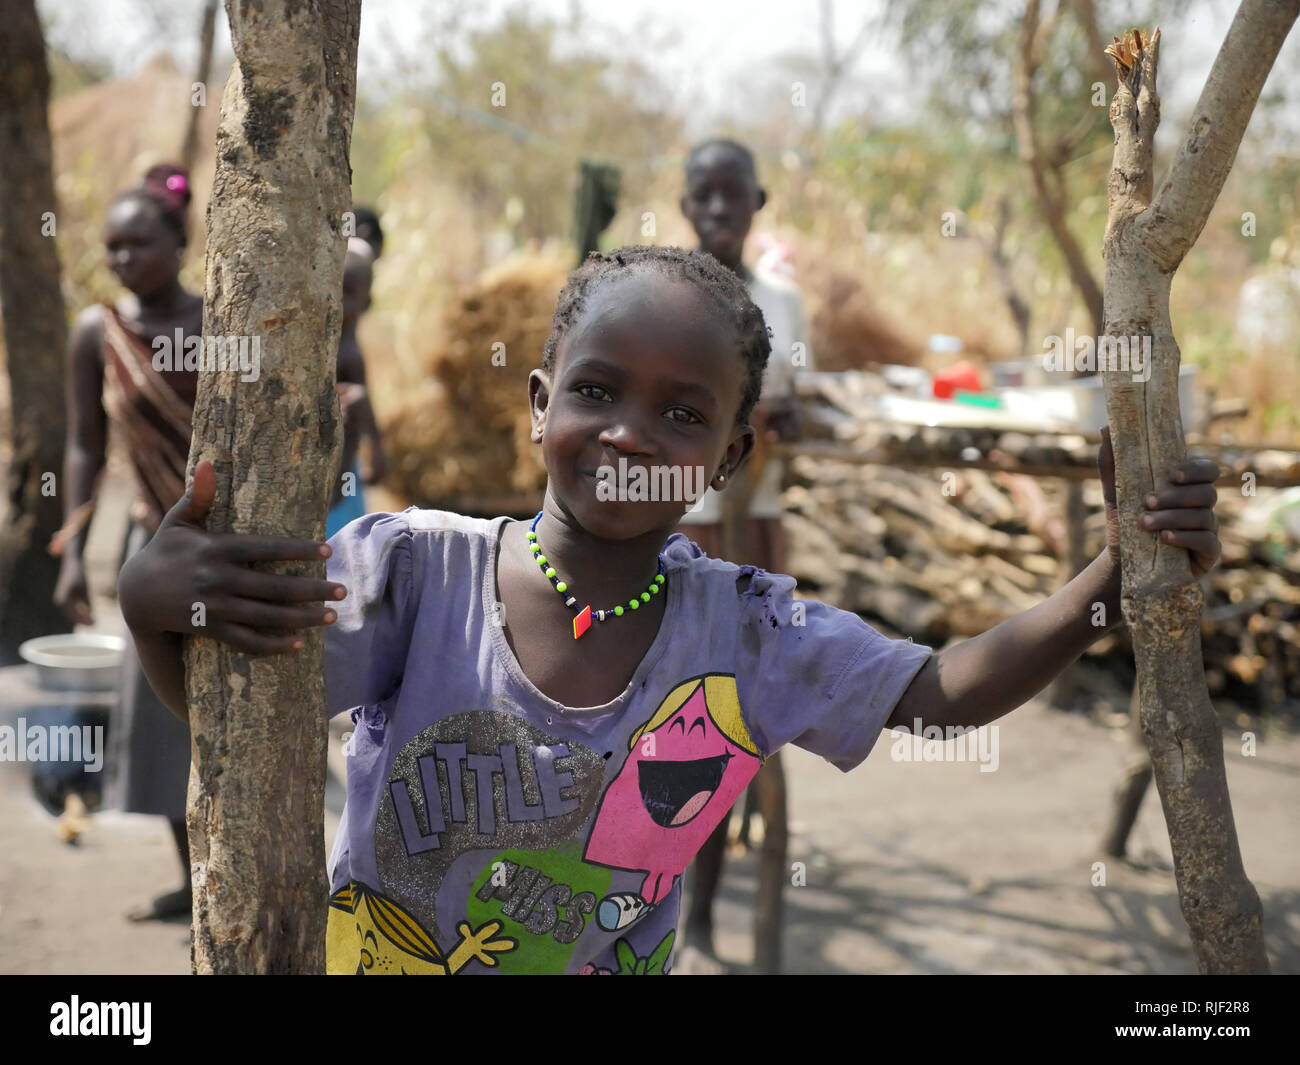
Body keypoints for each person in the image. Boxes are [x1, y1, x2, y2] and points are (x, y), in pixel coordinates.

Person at [117, 245, 1223, 975]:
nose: (631, 433)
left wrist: (1107, 586)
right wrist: (153, 614)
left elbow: (939, 694)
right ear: (540, 403)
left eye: (681, 412)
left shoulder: (746, 630)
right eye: (596, 392)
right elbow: (235, 732)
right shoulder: (414, 574)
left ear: (732, 453)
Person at [676, 138, 811, 970]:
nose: (719, 212)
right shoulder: (665, 296)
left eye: (734, 197)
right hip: (674, 533)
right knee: (663, 723)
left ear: (757, 202)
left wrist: (784, 419)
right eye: (704, 197)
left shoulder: (784, 305)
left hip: (751, 528)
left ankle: (702, 922)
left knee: (736, 722)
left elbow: (795, 401)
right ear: (686, 204)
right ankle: (660, 918)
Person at [53, 163, 201, 922]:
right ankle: (193, 882)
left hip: (224, 541)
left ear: (181, 241)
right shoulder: (98, 332)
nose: (122, 260)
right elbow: (85, 444)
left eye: (139, 244)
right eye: (111, 248)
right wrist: (75, 547)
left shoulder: (218, 325)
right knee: (160, 715)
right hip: (154, 544)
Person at [327, 237, 388, 539]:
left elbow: (365, 402)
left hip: (344, 471)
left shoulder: (350, 350)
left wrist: (376, 447)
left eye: (349, 293)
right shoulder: (332, 345)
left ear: (366, 301)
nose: (339, 302)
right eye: (334, 290)